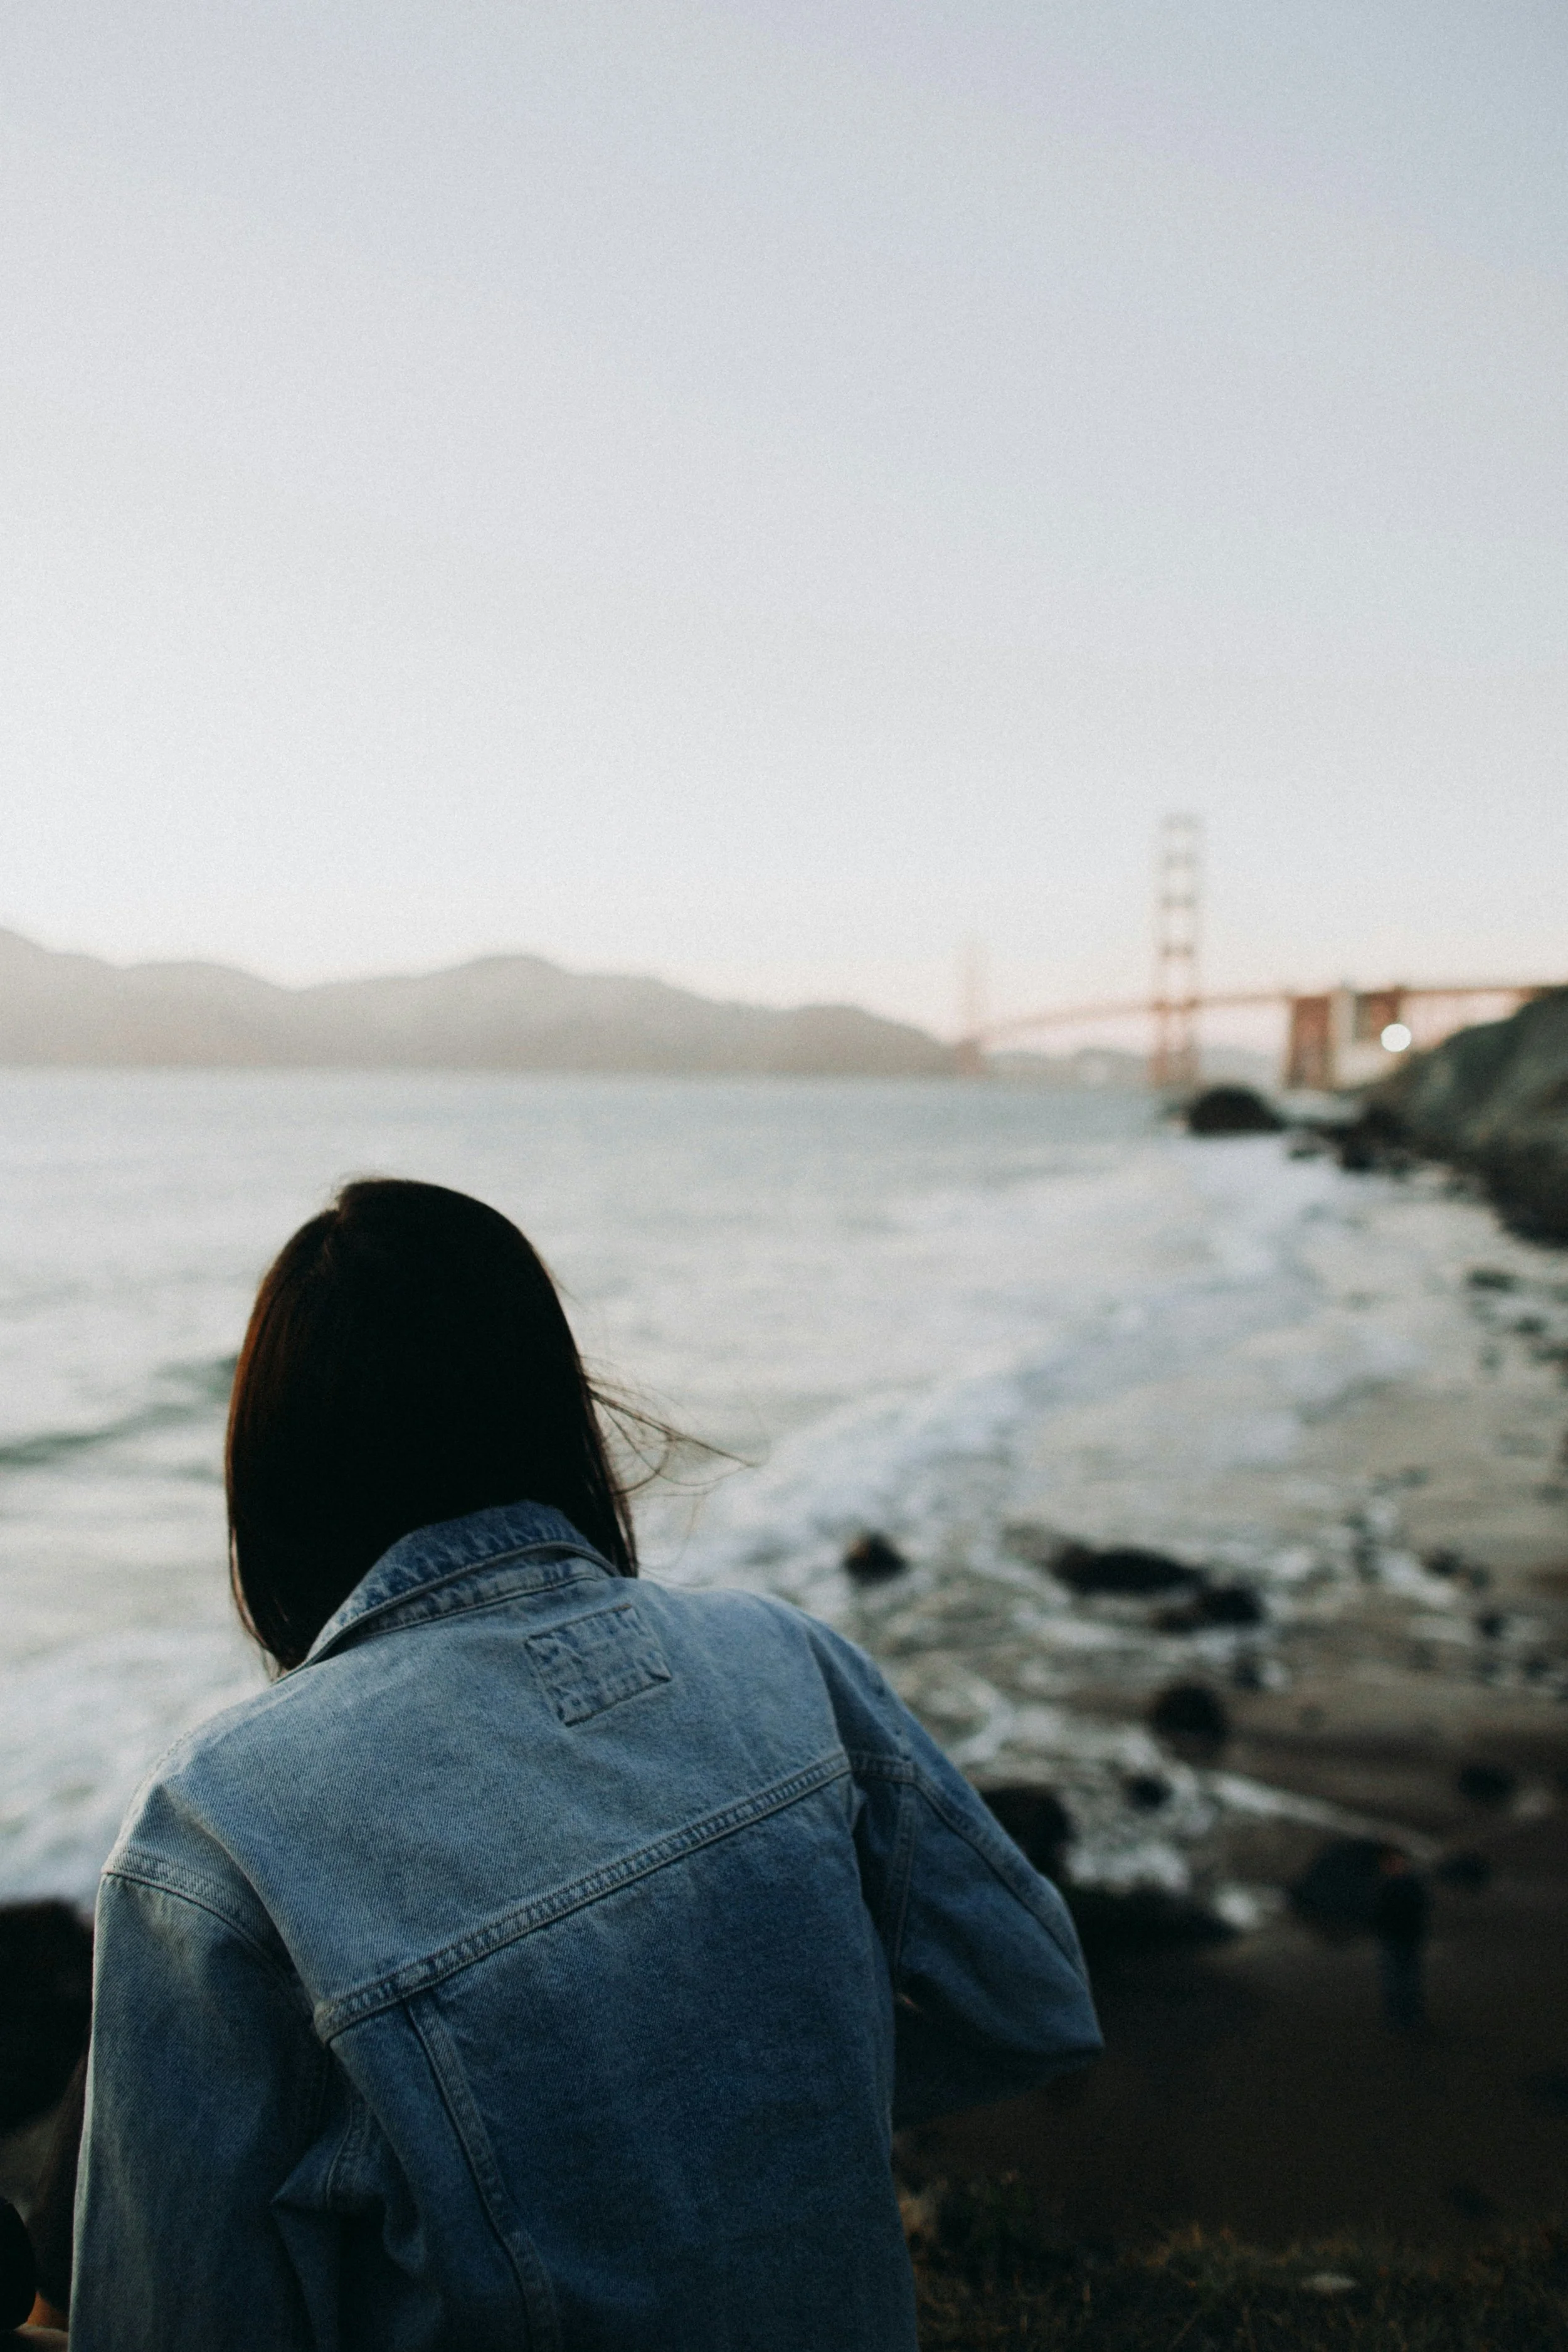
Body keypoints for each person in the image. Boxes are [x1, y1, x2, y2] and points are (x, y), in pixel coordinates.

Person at [71, 1180, 1099, 2349]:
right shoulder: (787, 1659)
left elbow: (177, 2319)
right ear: (555, 1408)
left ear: (277, 1475)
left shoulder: (216, 1829)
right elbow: (1038, 2004)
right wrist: (761, 2115)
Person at [1372, 1846, 1430, 2031]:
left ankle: (1405, 2017)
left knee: (1404, 1979)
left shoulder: (1398, 1884)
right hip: (1398, 1938)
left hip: (1404, 1938)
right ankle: (1402, 2017)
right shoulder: (1392, 1885)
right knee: (1399, 1980)